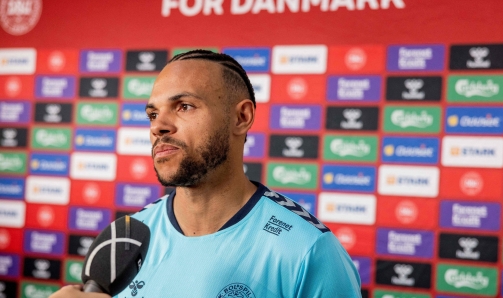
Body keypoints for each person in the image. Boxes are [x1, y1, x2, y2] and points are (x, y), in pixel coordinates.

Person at [51, 50, 361, 298]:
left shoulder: (308, 250)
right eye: (153, 114)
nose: (158, 126)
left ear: (241, 117)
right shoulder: (129, 238)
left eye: (184, 106)